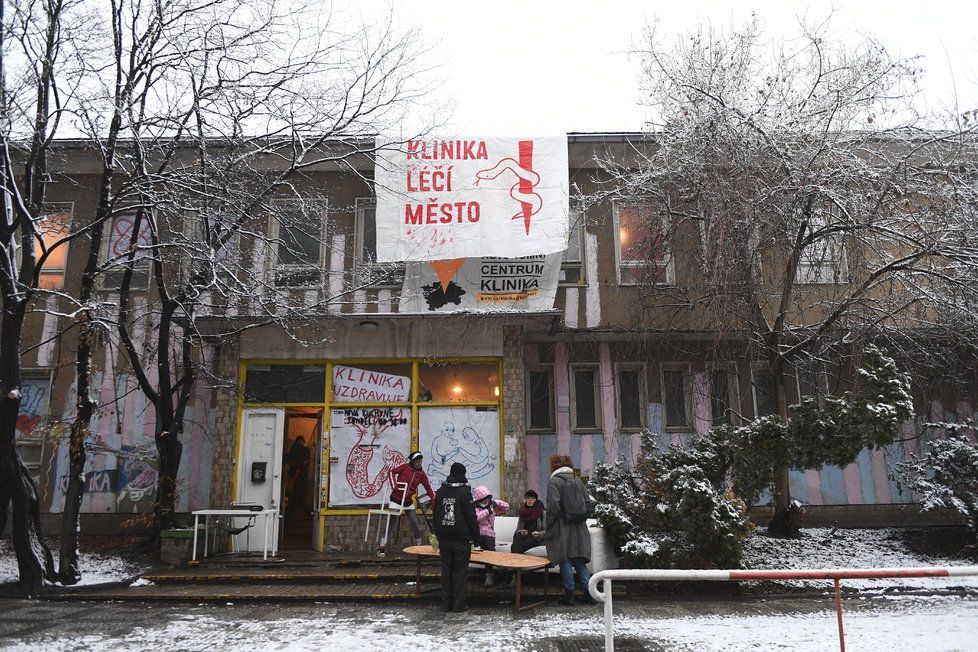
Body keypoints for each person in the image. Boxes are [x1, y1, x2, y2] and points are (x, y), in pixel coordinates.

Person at [545, 454, 596, 606]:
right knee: (579, 560)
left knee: (565, 559)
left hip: (562, 526)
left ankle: (570, 595)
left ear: (553, 467)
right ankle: (589, 593)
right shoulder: (577, 480)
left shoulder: (554, 481)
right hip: (579, 526)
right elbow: (588, 503)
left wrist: (549, 523)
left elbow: (553, 505)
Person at [433, 462, 480, 613]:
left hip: (444, 539)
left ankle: (446, 604)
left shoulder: (440, 491)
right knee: (460, 573)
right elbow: (471, 516)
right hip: (461, 540)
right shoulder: (464, 492)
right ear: (463, 474)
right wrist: (476, 537)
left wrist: (437, 534)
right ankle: (458, 605)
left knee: (446, 572)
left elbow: (435, 515)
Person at [378, 451, 435, 557]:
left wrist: (432, 499)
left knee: (415, 523)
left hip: (408, 502)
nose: (419, 463)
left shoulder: (421, 474)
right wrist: (394, 484)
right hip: (396, 500)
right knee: (391, 523)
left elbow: (428, 487)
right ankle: (382, 546)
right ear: (413, 462)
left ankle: (419, 547)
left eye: (421, 461)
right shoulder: (404, 467)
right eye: (417, 461)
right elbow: (391, 472)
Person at [472, 485, 509, 587]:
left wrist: (496, 503)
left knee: (489, 553)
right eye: (483, 500)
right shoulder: (475, 508)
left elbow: (506, 507)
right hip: (477, 535)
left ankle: (491, 574)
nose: (485, 502)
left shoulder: (493, 506)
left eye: (487, 499)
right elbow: (477, 518)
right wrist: (487, 511)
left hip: (489, 535)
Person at [511, 490, 545, 555]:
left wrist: (539, 534)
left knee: (516, 547)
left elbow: (549, 531)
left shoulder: (542, 512)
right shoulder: (522, 512)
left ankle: (514, 560)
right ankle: (516, 560)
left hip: (536, 539)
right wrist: (521, 531)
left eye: (532, 498)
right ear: (525, 500)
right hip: (524, 537)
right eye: (528, 498)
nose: (530, 500)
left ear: (536, 500)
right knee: (517, 536)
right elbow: (517, 530)